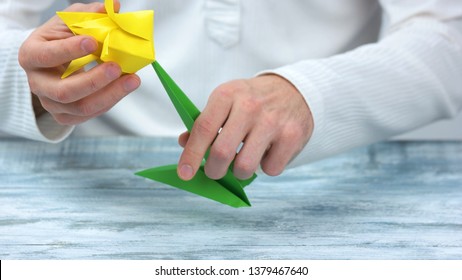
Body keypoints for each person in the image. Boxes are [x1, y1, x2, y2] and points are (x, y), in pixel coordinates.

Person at [1, 0, 461, 181]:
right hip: (90, 172)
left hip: (333, 170)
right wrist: (33, 78)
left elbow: (448, 34)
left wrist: (311, 93)